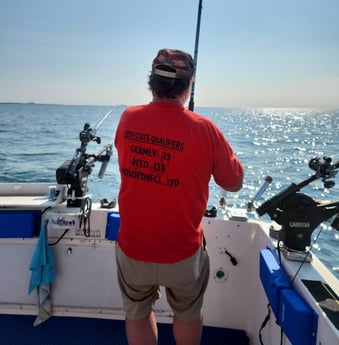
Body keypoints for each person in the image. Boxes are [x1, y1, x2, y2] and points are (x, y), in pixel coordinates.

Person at [114, 48, 243, 345]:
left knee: (136, 312)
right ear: (188, 86)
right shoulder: (206, 129)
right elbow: (233, 182)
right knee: (187, 312)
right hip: (183, 252)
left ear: (152, 82)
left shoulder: (127, 118)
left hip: (134, 247)